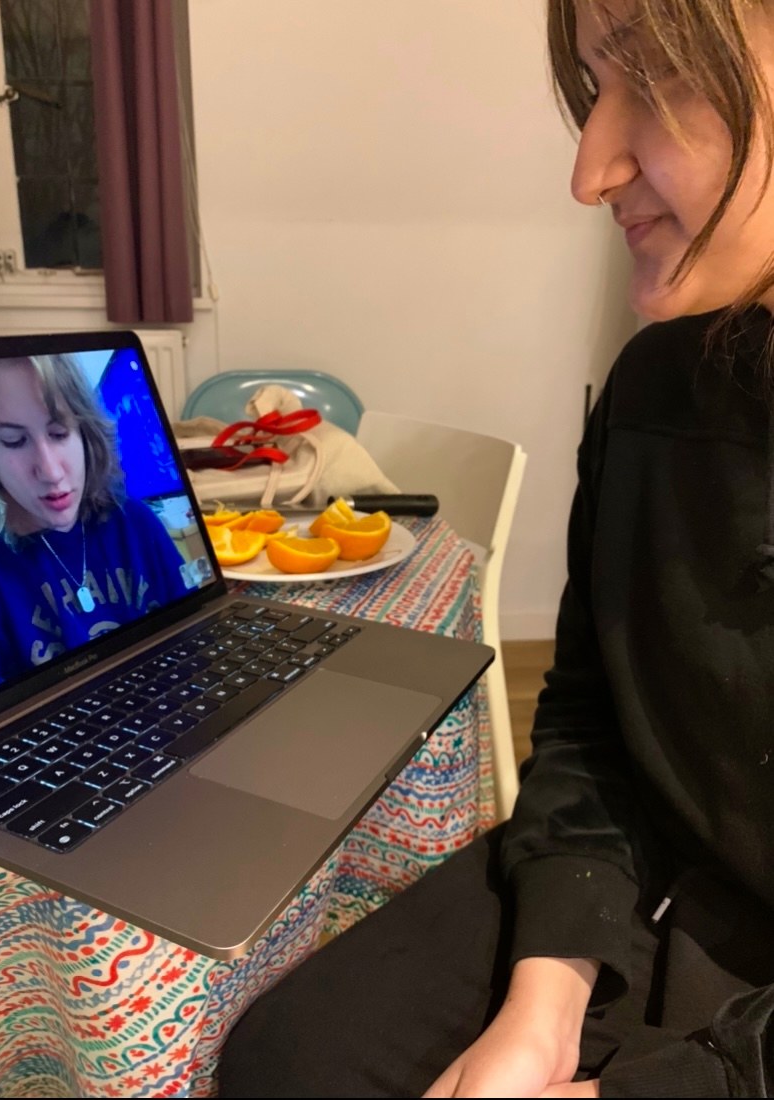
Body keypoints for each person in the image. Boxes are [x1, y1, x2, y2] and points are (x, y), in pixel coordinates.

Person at [213, 1, 774, 1097]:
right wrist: (546, 991)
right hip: (654, 884)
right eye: (593, 84)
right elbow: (587, 713)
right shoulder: (654, 392)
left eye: (657, 80)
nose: (590, 169)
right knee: (292, 1062)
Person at [0, 354, 190, 708]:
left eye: (59, 433)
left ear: (85, 433)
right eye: (14, 441)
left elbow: (189, 636)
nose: (50, 471)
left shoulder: (132, 522)